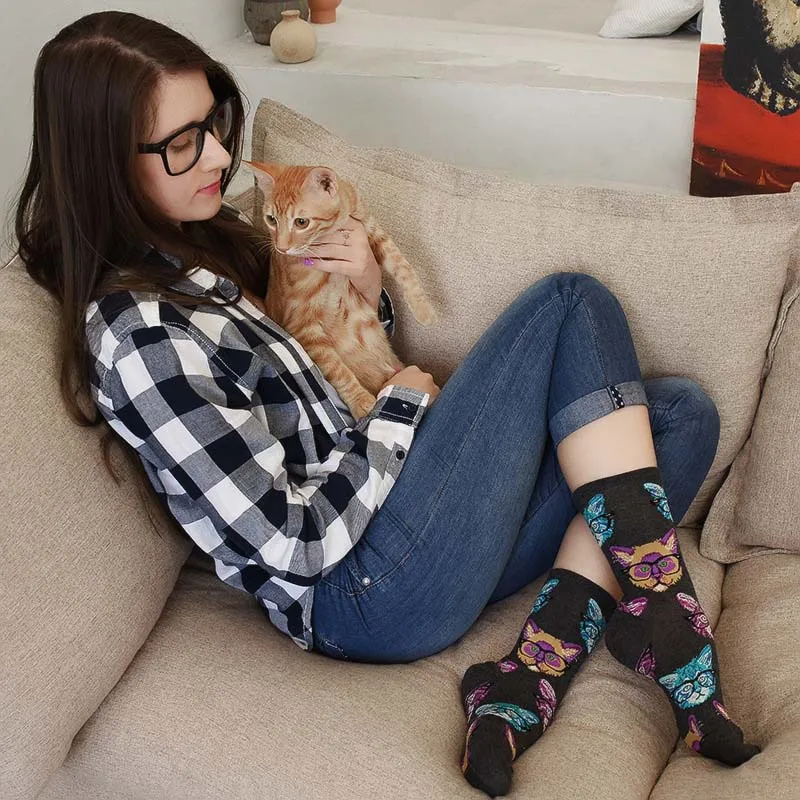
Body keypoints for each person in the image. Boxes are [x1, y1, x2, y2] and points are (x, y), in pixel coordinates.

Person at [13, 11, 759, 799]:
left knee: (680, 415)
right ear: (104, 162)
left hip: (409, 528)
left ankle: (522, 683)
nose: (222, 157)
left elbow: (317, 380)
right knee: (570, 301)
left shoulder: (200, 248)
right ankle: (671, 625)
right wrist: (399, 414)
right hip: (363, 590)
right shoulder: (140, 339)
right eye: (183, 143)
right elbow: (293, 544)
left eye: (215, 124)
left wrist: (369, 297)